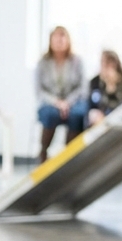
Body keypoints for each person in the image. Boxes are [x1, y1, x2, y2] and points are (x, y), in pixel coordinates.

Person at [35, 26, 88, 163]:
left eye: (62, 36)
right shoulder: (43, 63)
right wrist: (56, 103)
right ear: (50, 40)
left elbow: (82, 88)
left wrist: (67, 103)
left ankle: (68, 157)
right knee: (50, 114)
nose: (59, 40)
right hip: (50, 103)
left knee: (77, 115)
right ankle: (43, 154)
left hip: (73, 102)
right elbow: (40, 91)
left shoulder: (77, 61)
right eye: (56, 36)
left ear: (68, 40)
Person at [87, 49, 122, 126]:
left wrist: (111, 87)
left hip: (119, 116)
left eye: (107, 64)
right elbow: (92, 102)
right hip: (100, 116)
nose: (103, 67)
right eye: (102, 63)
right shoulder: (95, 81)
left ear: (114, 64)